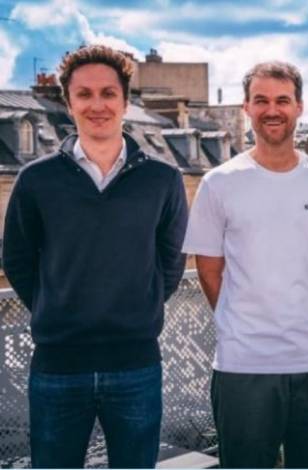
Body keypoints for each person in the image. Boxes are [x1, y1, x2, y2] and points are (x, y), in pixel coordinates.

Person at [2, 44, 188, 468]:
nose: (97, 105)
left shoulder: (162, 179)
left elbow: (171, 259)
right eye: (84, 94)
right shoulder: (36, 179)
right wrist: (55, 305)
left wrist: (138, 307)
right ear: (68, 103)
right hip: (58, 365)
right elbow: (17, 260)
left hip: (136, 364)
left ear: (125, 101)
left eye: (108, 93)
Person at [182, 61, 308, 468]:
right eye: (261, 100)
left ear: (299, 107)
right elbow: (209, 271)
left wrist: (304, 310)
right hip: (243, 364)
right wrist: (241, 321)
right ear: (246, 108)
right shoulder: (219, 183)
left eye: (282, 100)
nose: (272, 110)